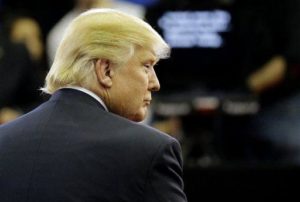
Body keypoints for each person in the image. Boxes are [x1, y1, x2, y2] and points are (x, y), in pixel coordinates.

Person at [0, 8, 187, 202]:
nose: (155, 83)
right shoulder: (150, 150)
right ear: (105, 70)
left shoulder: (3, 140)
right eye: (147, 66)